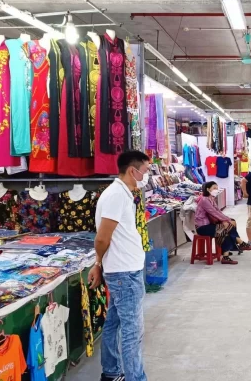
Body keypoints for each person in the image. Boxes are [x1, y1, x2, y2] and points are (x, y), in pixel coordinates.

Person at [89, 150, 151, 381]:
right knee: (132, 331)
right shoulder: (116, 195)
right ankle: (135, 377)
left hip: (124, 270)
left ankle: (111, 371)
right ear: (132, 171)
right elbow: (102, 238)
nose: (147, 175)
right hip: (124, 273)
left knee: (114, 323)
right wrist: (97, 263)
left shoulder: (124, 193)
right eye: (145, 171)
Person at [195, 181, 251, 264]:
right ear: (208, 189)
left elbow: (218, 211)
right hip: (202, 227)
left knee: (227, 227)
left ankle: (227, 254)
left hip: (209, 224)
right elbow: (214, 213)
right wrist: (227, 220)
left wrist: (226, 219)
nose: (216, 190)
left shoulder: (210, 198)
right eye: (214, 188)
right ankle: (239, 244)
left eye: (217, 188)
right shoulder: (204, 200)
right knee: (227, 228)